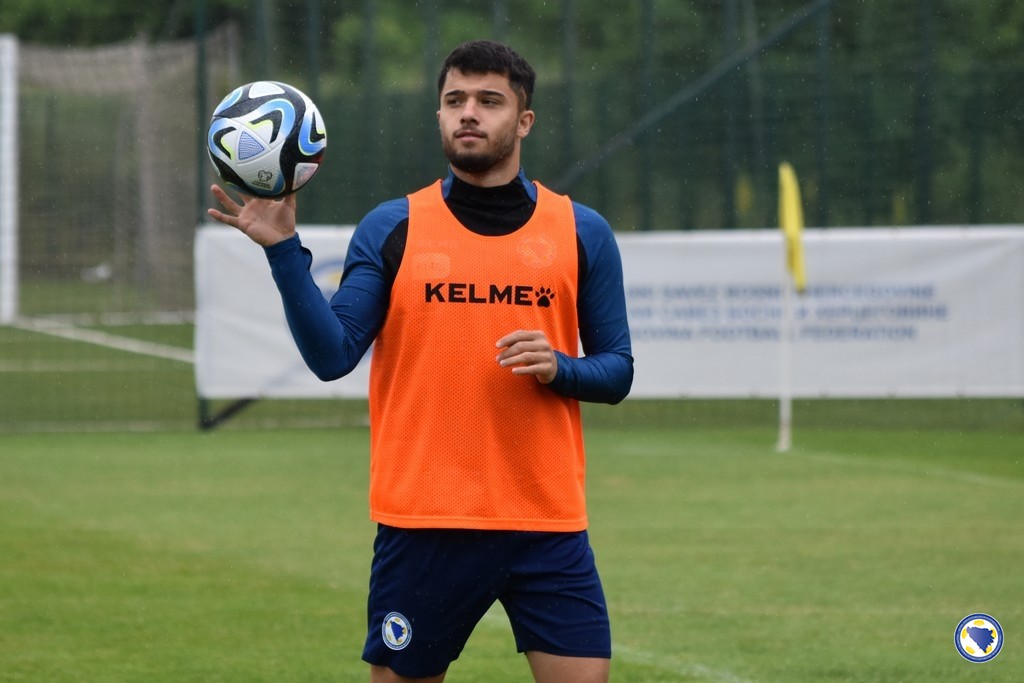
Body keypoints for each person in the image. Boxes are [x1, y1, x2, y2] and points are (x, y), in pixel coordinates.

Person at [208, 39, 633, 683]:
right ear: (438, 115)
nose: (469, 113)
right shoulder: (393, 226)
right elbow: (332, 355)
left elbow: (618, 370)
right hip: (425, 522)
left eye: (489, 101)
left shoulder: (580, 230)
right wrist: (283, 251)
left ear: (524, 121)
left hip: (546, 521)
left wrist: (560, 367)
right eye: (454, 100)